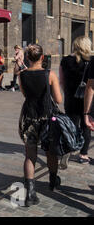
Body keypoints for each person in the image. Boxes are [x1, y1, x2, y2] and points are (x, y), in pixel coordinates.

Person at [18, 44, 63, 207]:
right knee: (50, 152)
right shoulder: (49, 74)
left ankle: (30, 193)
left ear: (28, 58)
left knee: (30, 156)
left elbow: (25, 95)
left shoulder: (21, 75)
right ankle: (53, 180)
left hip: (29, 118)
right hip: (47, 119)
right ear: (42, 57)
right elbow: (58, 100)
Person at [59, 36, 92, 167]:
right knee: (86, 127)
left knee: (71, 126)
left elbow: (61, 81)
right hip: (88, 100)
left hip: (71, 98)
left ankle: (67, 149)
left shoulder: (65, 60)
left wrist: (67, 92)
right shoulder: (91, 61)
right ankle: (83, 154)